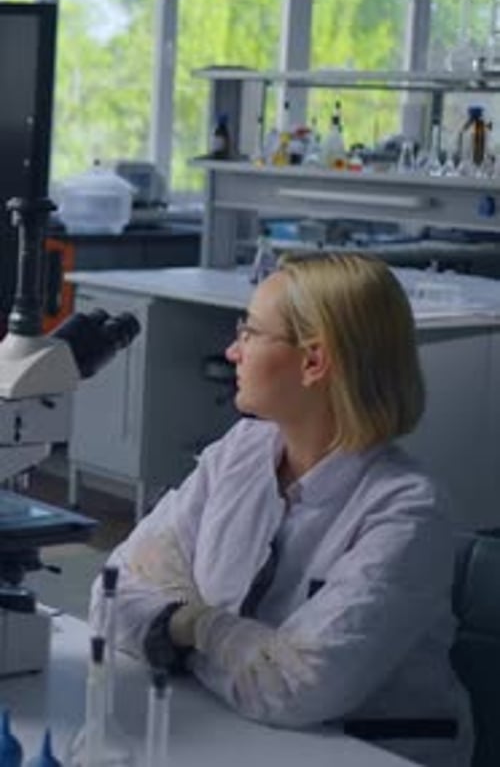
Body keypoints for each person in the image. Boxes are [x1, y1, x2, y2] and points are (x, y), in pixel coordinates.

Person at [89, 251, 473, 767]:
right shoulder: (241, 451)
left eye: (249, 332)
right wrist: (242, 647)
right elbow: (112, 597)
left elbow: (299, 687)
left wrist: (191, 624)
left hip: (367, 753)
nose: (231, 351)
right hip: (237, 732)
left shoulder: (406, 512)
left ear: (314, 361)